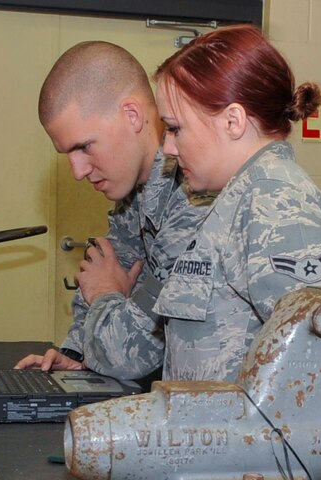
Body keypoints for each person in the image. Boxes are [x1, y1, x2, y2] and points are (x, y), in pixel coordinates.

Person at [15, 41, 212, 378]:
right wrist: (76, 353)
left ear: (132, 115)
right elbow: (98, 281)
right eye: (68, 154)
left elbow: (129, 354)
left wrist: (107, 293)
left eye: (84, 147)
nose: (77, 171)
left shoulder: (193, 196)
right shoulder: (134, 197)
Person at [147, 23, 321, 382]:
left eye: (175, 128)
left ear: (232, 121)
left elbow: (315, 368)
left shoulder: (275, 201)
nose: (168, 147)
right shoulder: (239, 197)